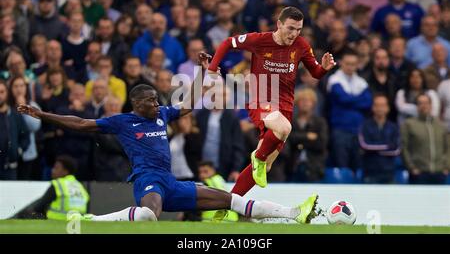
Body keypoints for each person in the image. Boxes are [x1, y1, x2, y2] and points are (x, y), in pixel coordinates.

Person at [17, 53, 319, 224]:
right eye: (150, 100)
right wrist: (43, 115)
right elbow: (82, 123)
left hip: (172, 181)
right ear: (137, 104)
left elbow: (188, 104)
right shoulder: (123, 122)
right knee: (149, 215)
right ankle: (92, 222)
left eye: (156, 99)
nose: (156, 103)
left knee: (232, 200)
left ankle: (293, 214)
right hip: (147, 179)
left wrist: (203, 72)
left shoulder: (162, 114)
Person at [207, 6, 336, 195]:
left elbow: (315, 72)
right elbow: (228, 42)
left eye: (298, 29)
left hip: (285, 107)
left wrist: (323, 68)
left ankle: (229, 204)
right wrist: (212, 68)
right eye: (291, 28)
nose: (294, 34)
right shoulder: (260, 40)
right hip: (261, 101)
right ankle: (257, 157)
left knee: (265, 167)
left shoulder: (301, 45)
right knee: (284, 129)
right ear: (279, 24)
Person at [13, 155, 89, 220]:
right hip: (77, 220)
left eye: (56, 168)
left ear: (65, 171)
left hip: (58, 218)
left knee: (27, 212)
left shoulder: (58, 184)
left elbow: (40, 206)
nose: (52, 170)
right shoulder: (79, 185)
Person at [401, 94, 449, 184]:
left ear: (431, 105)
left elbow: (447, 147)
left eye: (426, 103)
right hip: (419, 173)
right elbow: (404, 147)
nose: (424, 106)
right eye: (420, 103)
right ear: (417, 106)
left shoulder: (440, 125)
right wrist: (411, 167)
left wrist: (447, 167)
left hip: (440, 172)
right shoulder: (409, 124)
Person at [358, 94, 400, 184]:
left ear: (387, 108)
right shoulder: (365, 126)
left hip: (389, 173)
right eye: (377, 105)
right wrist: (387, 146)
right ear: (373, 108)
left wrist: (375, 149)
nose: (380, 108)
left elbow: (396, 150)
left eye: (383, 105)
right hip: (370, 172)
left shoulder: (393, 127)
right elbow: (364, 146)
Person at [0, 80, 29, 180]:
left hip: (10, 168)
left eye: (2, 92)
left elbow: (25, 136)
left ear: (7, 93)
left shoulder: (15, 115)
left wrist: (18, 151)